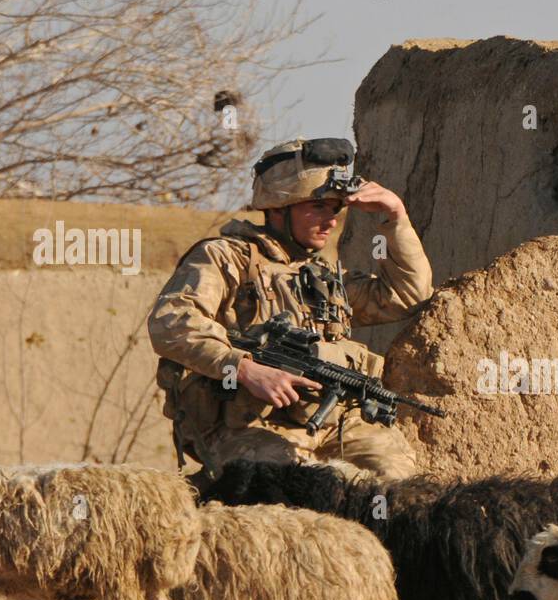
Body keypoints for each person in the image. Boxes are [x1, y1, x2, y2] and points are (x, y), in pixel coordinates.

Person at [148, 137, 432, 482]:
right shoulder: (227, 258)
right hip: (248, 427)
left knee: (397, 482)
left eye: (335, 209)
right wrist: (245, 369)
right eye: (318, 207)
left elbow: (408, 296)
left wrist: (395, 218)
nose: (330, 221)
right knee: (286, 490)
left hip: (335, 425)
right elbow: (172, 322)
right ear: (279, 208)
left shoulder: (324, 275)